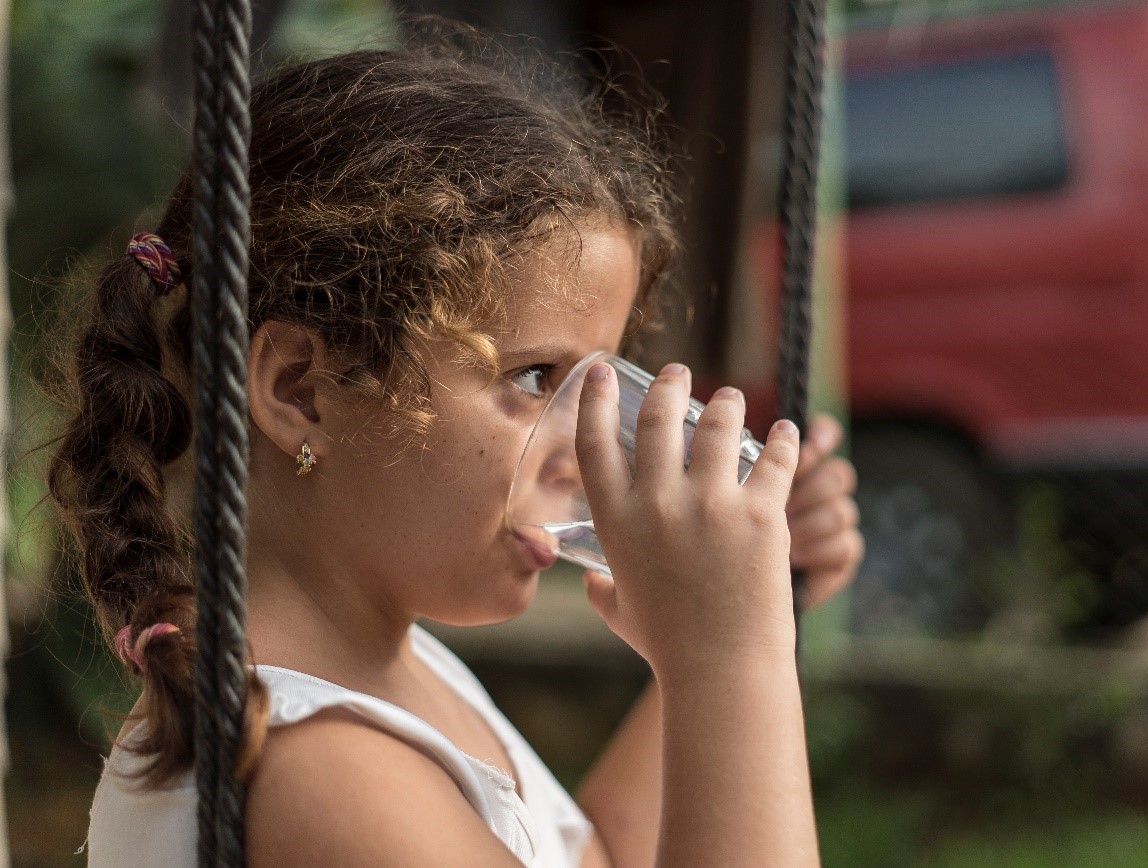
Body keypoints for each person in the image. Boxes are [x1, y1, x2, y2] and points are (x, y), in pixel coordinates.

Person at [43, 27, 863, 868]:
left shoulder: (395, 673)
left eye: (603, 381)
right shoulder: (321, 773)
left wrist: (736, 621)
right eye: (538, 377)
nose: (588, 447)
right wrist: (730, 660)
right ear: (300, 390)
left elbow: (599, 854)